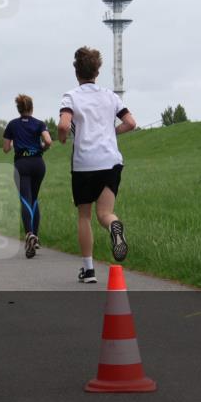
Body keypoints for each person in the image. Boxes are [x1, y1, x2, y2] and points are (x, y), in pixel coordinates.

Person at [57, 47, 136, 283]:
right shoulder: (111, 96)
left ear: (76, 71)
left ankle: (89, 270)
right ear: (97, 71)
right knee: (105, 213)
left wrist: (62, 138)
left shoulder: (71, 96)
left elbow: (63, 125)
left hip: (84, 164)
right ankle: (114, 226)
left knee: (84, 216)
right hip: (110, 161)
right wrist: (111, 132)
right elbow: (131, 122)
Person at [3, 94, 53, 259]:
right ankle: (36, 238)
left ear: (18, 109)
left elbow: (6, 148)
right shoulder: (39, 124)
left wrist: (14, 141)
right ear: (31, 108)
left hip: (22, 164)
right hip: (38, 164)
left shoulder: (12, 125)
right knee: (34, 199)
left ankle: (29, 234)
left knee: (25, 199)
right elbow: (48, 141)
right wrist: (42, 148)